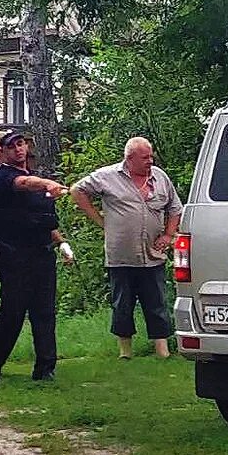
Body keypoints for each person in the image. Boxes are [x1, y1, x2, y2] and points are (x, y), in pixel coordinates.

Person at [72, 137, 183, 359]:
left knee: (157, 302)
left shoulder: (160, 177)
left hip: (153, 254)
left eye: (151, 156)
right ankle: (125, 352)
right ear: (129, 158)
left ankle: (162, 350)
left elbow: (175, 208)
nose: (150, 161)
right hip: (121, 255)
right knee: (122, 304)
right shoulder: (107, 176)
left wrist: (169, 234)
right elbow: (77, 190)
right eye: (145, 157)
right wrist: (99, 220)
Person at [0, 131, 72, 383]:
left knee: (45, 312)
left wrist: (62, 243)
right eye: (12, 146)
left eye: (21, 144)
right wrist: (47, 184)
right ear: (4, 152)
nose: (18, 149)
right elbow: (23, 185)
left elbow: (45, 221)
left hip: (42, 254)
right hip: (14, 255)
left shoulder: (36, 181)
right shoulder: (3, 176)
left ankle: (45, 369)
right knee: (12, 312)